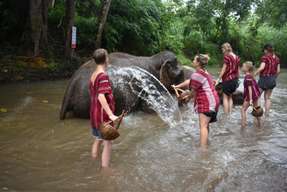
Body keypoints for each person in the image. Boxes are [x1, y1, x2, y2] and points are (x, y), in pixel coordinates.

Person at [173, 54, 220, 148]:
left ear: (198, 63)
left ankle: (203, 151)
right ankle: (206, 143)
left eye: (194, 60)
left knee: (202, 126)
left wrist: (187, 98)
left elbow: (192, 92)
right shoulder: (204, 72)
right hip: (214, 101)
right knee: (206, 125)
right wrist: (177, 87)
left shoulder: (197, 74)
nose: (192, 61)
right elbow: (190, 81)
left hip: (207, 102)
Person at [89, 48, 118, 168]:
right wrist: (110, 114)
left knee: (97, 139)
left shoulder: (93, 75)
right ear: (106, 59)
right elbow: (101, 96)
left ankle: (93, 161)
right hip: (102, 116)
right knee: (108, 143)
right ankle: (105, 171)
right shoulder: (103, 76)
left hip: (94, 114)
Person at [255, 44, 280, 116]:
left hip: (264, 79)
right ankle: (267, 114)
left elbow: (262, 67)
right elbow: (278, 71)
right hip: (272, 79)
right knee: (268, 98)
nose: (264, 52)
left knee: (257, 96)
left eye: (264, 50)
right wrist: (274, 78)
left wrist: (254, 74)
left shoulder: (265, 57)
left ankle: (258, 113)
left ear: (266, 50)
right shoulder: (277, 58)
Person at [216, 43, 240, 114]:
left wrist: (218, 79)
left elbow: (223, 69)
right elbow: (238, 70)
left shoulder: (227, 57)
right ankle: (230, 114)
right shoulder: (237, 57)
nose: (222, 51)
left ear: (225, 48)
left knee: (225, 97)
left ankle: (226, 115)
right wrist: (237, 79)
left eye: (222, 49)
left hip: (227, 79)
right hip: (234, 80)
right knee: (230, 97)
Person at [241, 61, 261, 127]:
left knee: (243, 110)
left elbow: (250, 89)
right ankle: (259, 125)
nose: (242, 68)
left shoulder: (248, 77)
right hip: (255, 95)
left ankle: (243, 125)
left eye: (243, 66)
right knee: (256, 111)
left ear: (247, 68)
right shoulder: (250, 75)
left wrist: (250, 100)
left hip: (250, 96)